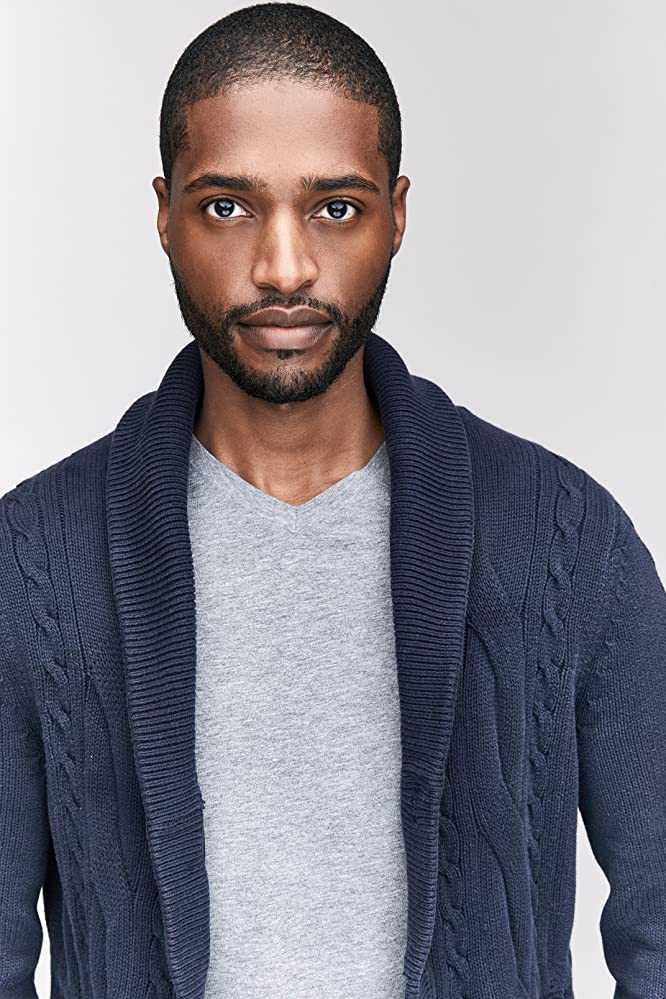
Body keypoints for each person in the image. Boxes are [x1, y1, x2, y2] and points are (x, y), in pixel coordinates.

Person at [1, 4, 664, 998]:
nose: (284, 267)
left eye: (335, 208)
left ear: (397, 214)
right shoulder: (34, 560)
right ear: (165, 213)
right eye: (228, 206)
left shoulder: (566, 542)